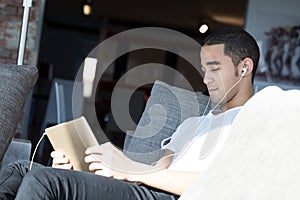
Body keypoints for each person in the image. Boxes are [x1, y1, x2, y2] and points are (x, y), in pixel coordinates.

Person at [0, 27, 259, 200]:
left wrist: (131, 171)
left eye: (214, 68)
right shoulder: (192, 124)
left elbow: (224, 186)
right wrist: (84, 169)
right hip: (151, 190)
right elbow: (155, 173)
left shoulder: (255, 119)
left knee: (44, 181)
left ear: (244, 67)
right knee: (23, 169)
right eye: (204, 70)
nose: (206, 79)